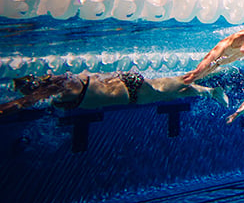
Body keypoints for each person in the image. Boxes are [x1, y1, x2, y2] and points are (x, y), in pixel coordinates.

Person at [0, 70, 228, 115]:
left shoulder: (58, 86)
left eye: (24, 88)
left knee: (179, 82)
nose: (21, 92)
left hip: (130, 88)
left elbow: (21, 103)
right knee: (173, 92)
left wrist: (9, 107)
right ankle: (210, 91)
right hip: (128, 92)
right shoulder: (55, 89)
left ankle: (219, 66)